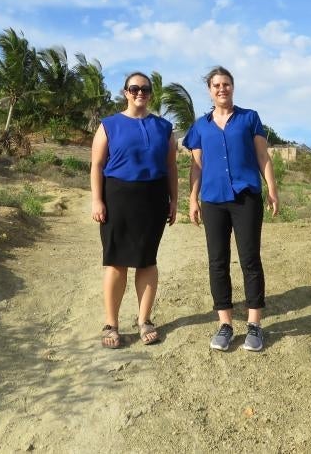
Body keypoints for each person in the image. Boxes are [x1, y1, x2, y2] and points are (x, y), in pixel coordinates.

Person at [183, 66, 279, 352]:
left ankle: (254, 325)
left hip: (246, 196)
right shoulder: (200, 126)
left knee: (250, 259)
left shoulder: (249, 118)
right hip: (213, 199)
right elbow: (196, 166)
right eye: (216, 85)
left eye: (226, 84)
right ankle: (225, 324)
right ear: (209, 90)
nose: (222, 89)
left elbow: (263, 155)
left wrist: (272, 188)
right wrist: (192, 198)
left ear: (232, 87)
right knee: (218, 261)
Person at [91, 72, 177, 348]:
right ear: (125, 92)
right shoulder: (109, 125)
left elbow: (171, 167)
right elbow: (97, 165)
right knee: (116, 261)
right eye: (134, 88)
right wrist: (97, 200)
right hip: (117, 197)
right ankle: (111, 323)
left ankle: (144, 320)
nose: (140, 92)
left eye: (145, 89)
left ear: (151, 93)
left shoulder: (164, 127)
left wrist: (174, 200)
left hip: (153, 197)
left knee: (147, 260)